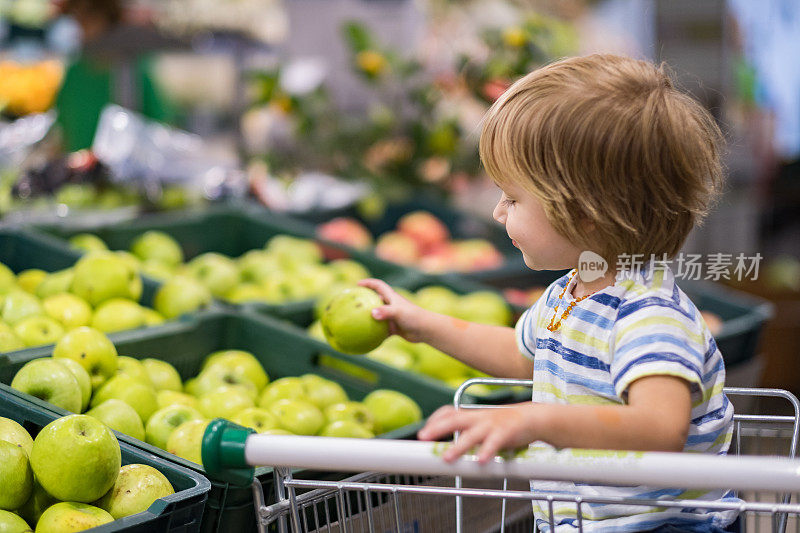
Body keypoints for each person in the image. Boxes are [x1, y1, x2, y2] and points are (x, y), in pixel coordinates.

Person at [360, 54, 738, 532]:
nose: (498, 213)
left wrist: (532, 421)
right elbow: (521, 355)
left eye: (513, 198)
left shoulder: (648, 315)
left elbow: (660, 428)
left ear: (586, 214)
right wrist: (422, 325)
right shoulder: (571, 292)